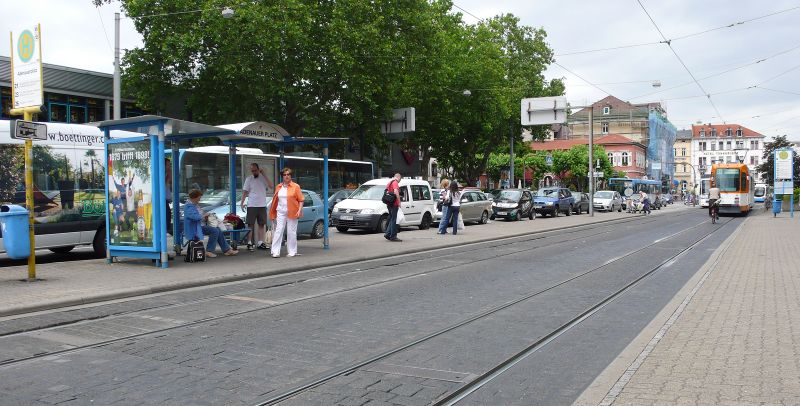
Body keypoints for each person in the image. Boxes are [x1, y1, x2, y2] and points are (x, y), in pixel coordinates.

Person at [184, 189, 238, 257]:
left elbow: (199, 216)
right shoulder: (188, 206)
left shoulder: (194, 205)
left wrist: (206, 217)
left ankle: (226, 250)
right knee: (215, 230)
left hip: (200, 226)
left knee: (217, 229)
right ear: (195, 197)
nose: (199, 200)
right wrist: (204, 215)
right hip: (195, 228)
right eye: (199, 198)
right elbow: (195, 217)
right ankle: (209, 251)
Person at [269, 167, 304, 257]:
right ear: (282, 176)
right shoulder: (279, 186)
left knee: (291, 231)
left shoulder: (296, 186)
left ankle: (292, 251)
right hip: (280, 211)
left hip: (292, 211)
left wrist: (299, 210)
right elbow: (275, 200)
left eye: (288, 174)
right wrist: (273, 212)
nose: (286, 176)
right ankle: (275, 251)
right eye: (284, 175)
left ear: (291, 176)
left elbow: (301, 200)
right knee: (278, 230)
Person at [241, 163, 274, 252]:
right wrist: (242, 202)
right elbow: (245, 192)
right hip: (252, 204)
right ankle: (249, 243)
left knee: (261, 224)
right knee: (250, 224)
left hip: (262, 205)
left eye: (255, 170)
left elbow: (271, 186)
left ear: (259, 169)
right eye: (252, 171)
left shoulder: (263, 178)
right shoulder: (249, 179)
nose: (254, 172)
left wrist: (264, 174)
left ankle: (260, 242)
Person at [384, 173, 402, 242]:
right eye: (400, 178)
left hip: (389, 203)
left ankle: (388, 234)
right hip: (394, 204)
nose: (400, 180)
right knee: (394, 220)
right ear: (398, 177)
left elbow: (386, 191)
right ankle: (393, 236)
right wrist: (399, 201)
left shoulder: (389, 183)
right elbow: (396, 191)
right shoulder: (395, 182)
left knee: (392, 219)